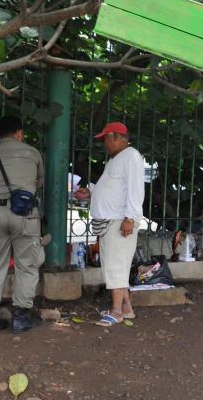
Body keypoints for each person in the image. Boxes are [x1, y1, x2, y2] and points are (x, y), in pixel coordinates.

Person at [0, 115, 45, 335]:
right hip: (24, 215)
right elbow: (39, 183)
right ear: (19, 133)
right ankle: (21, 318)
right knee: (27, 265)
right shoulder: (33, 153)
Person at [74, 122, 145, 326]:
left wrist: (130, 218)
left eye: (105, 138)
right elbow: (114, 189)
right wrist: (91, 192)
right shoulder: (117, 159)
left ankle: (116, 311)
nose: (104, 143)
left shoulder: (131, 156)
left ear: (116, 137)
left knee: (116, 267)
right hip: (111, 221)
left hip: (119, 221)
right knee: (114, 266)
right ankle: (126, 308)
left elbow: (135, 190)